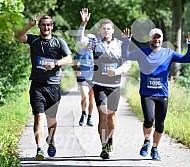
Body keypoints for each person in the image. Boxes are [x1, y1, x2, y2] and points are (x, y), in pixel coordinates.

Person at [121, 28, 190, 160]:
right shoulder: (142, 52)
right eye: (154, 37)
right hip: (147, 93)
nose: (156, 39)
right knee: (149, 120)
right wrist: (126, 42)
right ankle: (146, 142)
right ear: (150, 39)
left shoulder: (168, 53)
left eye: (159, 37)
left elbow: (186, 59)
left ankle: (154, 149)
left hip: (162, 93)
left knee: (160, 124)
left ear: (162, 39)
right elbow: (126, 55)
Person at [14, 14, 72, 161]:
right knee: (38, 117)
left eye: (48, 25)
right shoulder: (34, 40)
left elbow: (69, 59)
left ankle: (51, 140)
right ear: (39, 26)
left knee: (51, 119)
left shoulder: (58, 42)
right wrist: (29, 25)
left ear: (52, 26)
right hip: (37, 85)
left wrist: (55, 64)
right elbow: (18, 36)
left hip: (53, 86)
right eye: (43, 25)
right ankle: (39, 149)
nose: (46, 27)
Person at [77, 8, 131, 159]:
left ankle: (111, 140)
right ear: (100, 31)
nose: (106, 31)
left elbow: (128, 64)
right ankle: (103, 147)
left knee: (111, 116)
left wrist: (116, 71)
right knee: (102, 114)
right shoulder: (94, 43)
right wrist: (83, 23)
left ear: (113, 31)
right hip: (99, 84)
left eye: (109, 29)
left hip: (114, 85)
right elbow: (80, 40)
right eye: (103, 29)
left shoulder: (121, 44)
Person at [74, 34, 95, 126]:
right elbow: (76, 62)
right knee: (85, 96)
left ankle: (90, 117)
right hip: (83, 78)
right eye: (89, 40)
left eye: (92, 41)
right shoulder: (81, 52)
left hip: (94, 78)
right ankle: (83, 114)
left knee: (91, 99)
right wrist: (77, 70)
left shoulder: (97, 52)